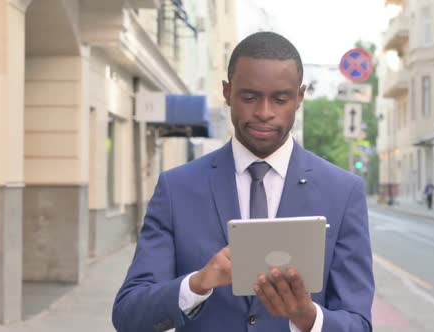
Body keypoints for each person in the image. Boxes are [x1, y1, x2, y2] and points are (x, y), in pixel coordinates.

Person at [112, 31, 374, 332]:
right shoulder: (176, 189)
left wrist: (308, 317)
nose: (264, 113)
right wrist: (196, 285)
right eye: (249, 97)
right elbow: (128, 315)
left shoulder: (343, 193)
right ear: (227, 92)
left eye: (280, 99)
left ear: (299, 97)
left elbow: (358, 323)